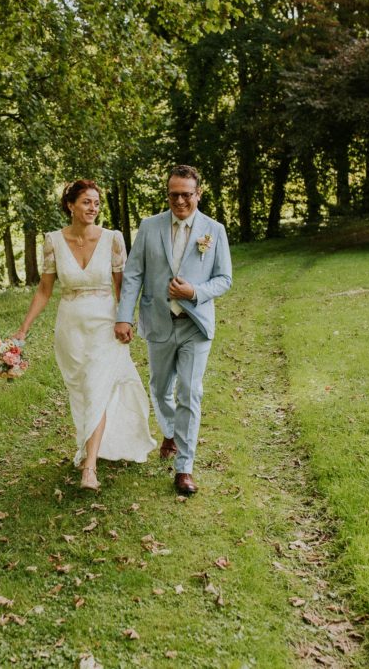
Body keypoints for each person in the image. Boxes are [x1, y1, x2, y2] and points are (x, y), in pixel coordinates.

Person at [14, 180, 156, 490]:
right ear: (70, 205)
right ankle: (91, 446)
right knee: (81, 391)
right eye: (86, 202)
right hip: (71, 329)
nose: (93, 208)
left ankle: (89, 468)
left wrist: (125, 320)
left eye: (96, 203)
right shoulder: (53, 241)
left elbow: (123, 286)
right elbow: (44, 290)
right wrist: (24, 328)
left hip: (105, 325)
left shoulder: (113, 239)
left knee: (97, 389)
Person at [114, 165, 232, 495]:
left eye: (186, 194)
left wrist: (193, 292)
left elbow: (224, 278)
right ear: (167, 194)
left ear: (198, 194)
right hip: (159, 321)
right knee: (160, 386)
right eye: (173, 194)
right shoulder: (149, 227)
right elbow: (134, 273)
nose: (179, 201)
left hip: (195, 324)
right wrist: (124, 316)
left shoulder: (214, 230)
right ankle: (169, 430)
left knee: (190, 392)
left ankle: (185, 468)